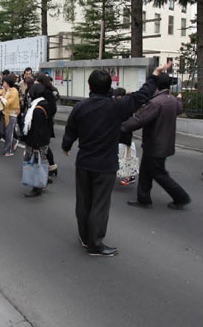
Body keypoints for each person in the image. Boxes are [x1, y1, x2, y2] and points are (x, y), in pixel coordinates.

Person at [61, 62, 169, 257]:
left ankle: (85, 237)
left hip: (84, 161)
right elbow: (142, 95)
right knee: (100, 204)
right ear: (109, 86)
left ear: (89, 86)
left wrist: (66, 145)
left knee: (84, 201)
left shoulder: (80, 107)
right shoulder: (117, 106)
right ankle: (95, 243)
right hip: (105, 164)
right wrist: (154, 75)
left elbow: (71, 129)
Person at [121, 74, 191, 209]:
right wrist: (180, 99)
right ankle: (143, 198)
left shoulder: (156, 103)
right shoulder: (171, 100)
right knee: (146, 171)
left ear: (156, 86)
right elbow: (179, 108)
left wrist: (121, 126)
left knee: (159, 174)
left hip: (155, 143)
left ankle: (181, 197)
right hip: (164, 142)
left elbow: (139, 120)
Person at [22, 84, 52, 198]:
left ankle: (37, 187)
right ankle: (44, 178)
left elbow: (37, 129)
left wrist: (35, 146)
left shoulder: (37, 109)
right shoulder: (45, 104)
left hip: (36, 142)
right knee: (40, 162)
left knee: (33, 163)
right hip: (44, 140)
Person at [35, 73, 59, 177]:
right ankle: (52, 166)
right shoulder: (42, 91)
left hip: (44, 122)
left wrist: (45, 116)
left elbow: (52, 109)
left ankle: (39, 172)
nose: (35, 82)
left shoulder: (47, 93)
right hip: (42, 121)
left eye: (37, 81)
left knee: (41, 145)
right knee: (43, 145)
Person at [0, 75, 20, 156]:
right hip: (4, 113)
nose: (3, 83)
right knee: (2, 131)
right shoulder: (4, 90)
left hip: (12, 114)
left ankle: (8, 151)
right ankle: (14, 141)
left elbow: (7, 103)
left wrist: (1, 97)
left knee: (9, 133)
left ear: (8, 83)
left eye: (4, 82)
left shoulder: (14, 91)